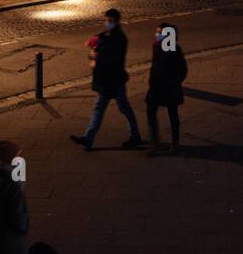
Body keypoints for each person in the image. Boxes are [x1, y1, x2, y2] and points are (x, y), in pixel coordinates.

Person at [70, 8, 143, 150]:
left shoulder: (119, 38)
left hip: (114, 81)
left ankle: (135, 136)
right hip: (105, 81)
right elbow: (96, 51)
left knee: (123, 108)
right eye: (106, 20)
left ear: (116, 21)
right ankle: (88, 138)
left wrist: (98, 58)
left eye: (110, 21)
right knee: (102, 109)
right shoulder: (104, 35)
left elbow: (115, 60)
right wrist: (92, 55)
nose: (107, 23)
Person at [145, 27, 188, 152]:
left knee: (172, 113)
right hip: (156, 87)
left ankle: (175, 143)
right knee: (151, 110)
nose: (157, 34)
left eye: (160, 32)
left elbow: (182, 70)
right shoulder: (156, 46)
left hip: (169, 88)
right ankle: (155, 141)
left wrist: (173, 82)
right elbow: (155, 67)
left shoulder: (174, 50)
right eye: (157, 31)